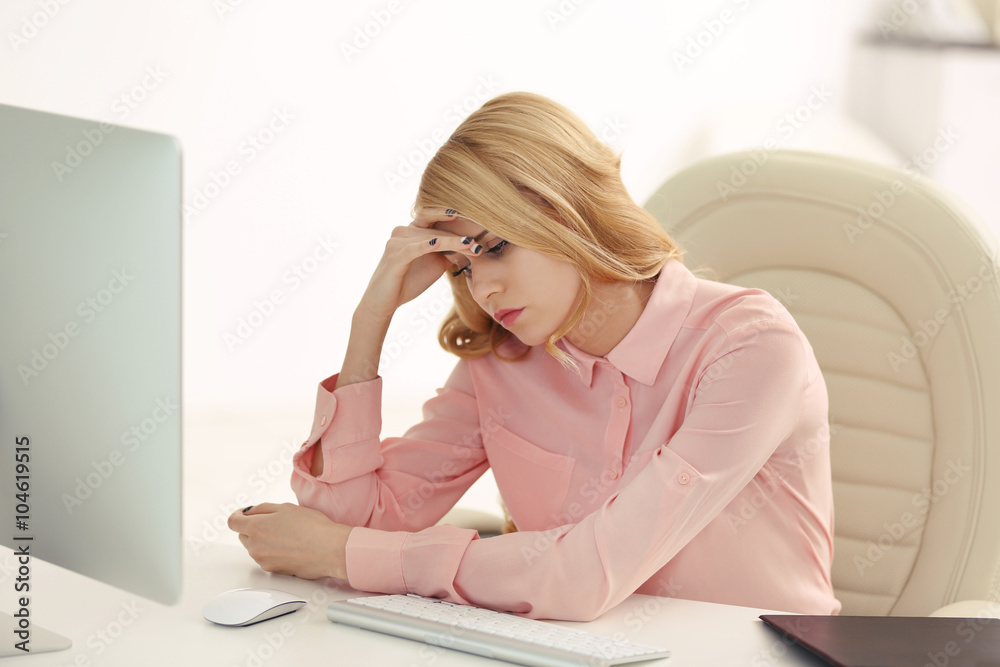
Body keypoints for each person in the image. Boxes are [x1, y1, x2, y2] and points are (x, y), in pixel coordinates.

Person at [228, 91, 841, 621]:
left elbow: (587, 575)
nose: (481, 288)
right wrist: (370, 327)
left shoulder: (751, 348)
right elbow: (356, 519)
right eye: (462, 266)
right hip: (574, 648)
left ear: (566, 211)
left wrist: (342, 554)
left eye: (494, 249)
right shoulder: (502, 361)